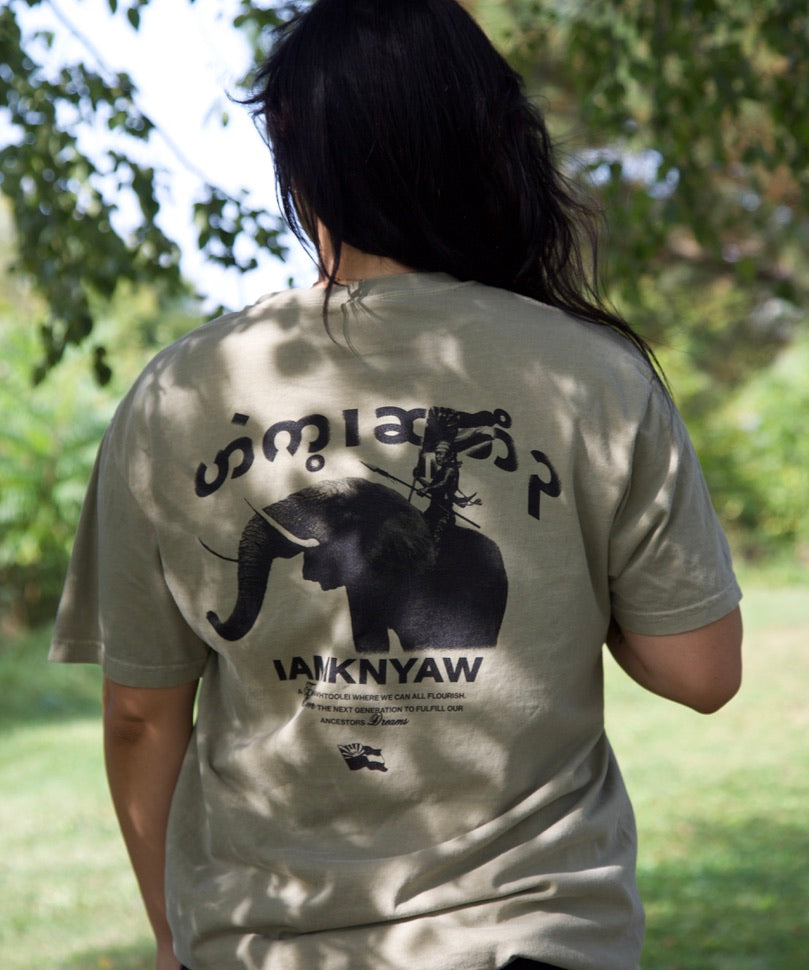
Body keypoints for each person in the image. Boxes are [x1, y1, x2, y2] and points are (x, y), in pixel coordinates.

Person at [49, 1, 743, 969]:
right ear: (484, 146)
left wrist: (172, 936)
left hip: (265, 945)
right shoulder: (595, 376)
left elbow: (139, 716)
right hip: (534, 938)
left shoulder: (180, 392)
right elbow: (700, 671)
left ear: (296, 158)